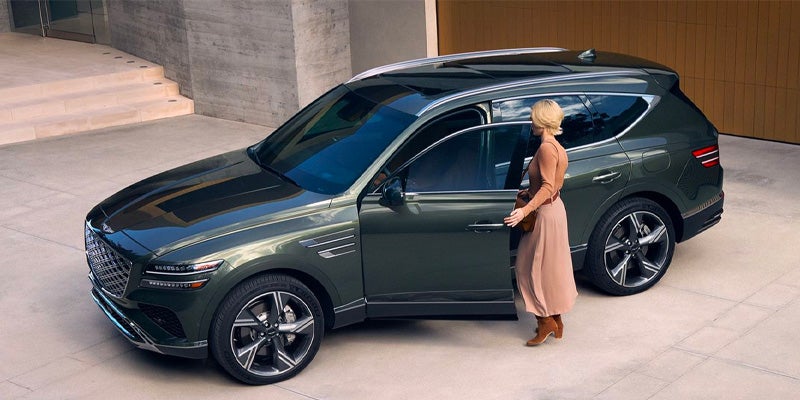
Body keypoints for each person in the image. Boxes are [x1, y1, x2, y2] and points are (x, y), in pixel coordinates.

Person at [504, 99, 578, 346]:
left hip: (545, 214)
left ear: (542, 121)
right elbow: (552, 185)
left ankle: (545, 321)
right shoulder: (555, 146)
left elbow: (547, 186)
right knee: (547, 268)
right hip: (555, 208)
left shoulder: (546, 149)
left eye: (534, 117)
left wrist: (525, 211)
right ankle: (555, 319)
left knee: (527, 268)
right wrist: (528, 192)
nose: (531, 121)